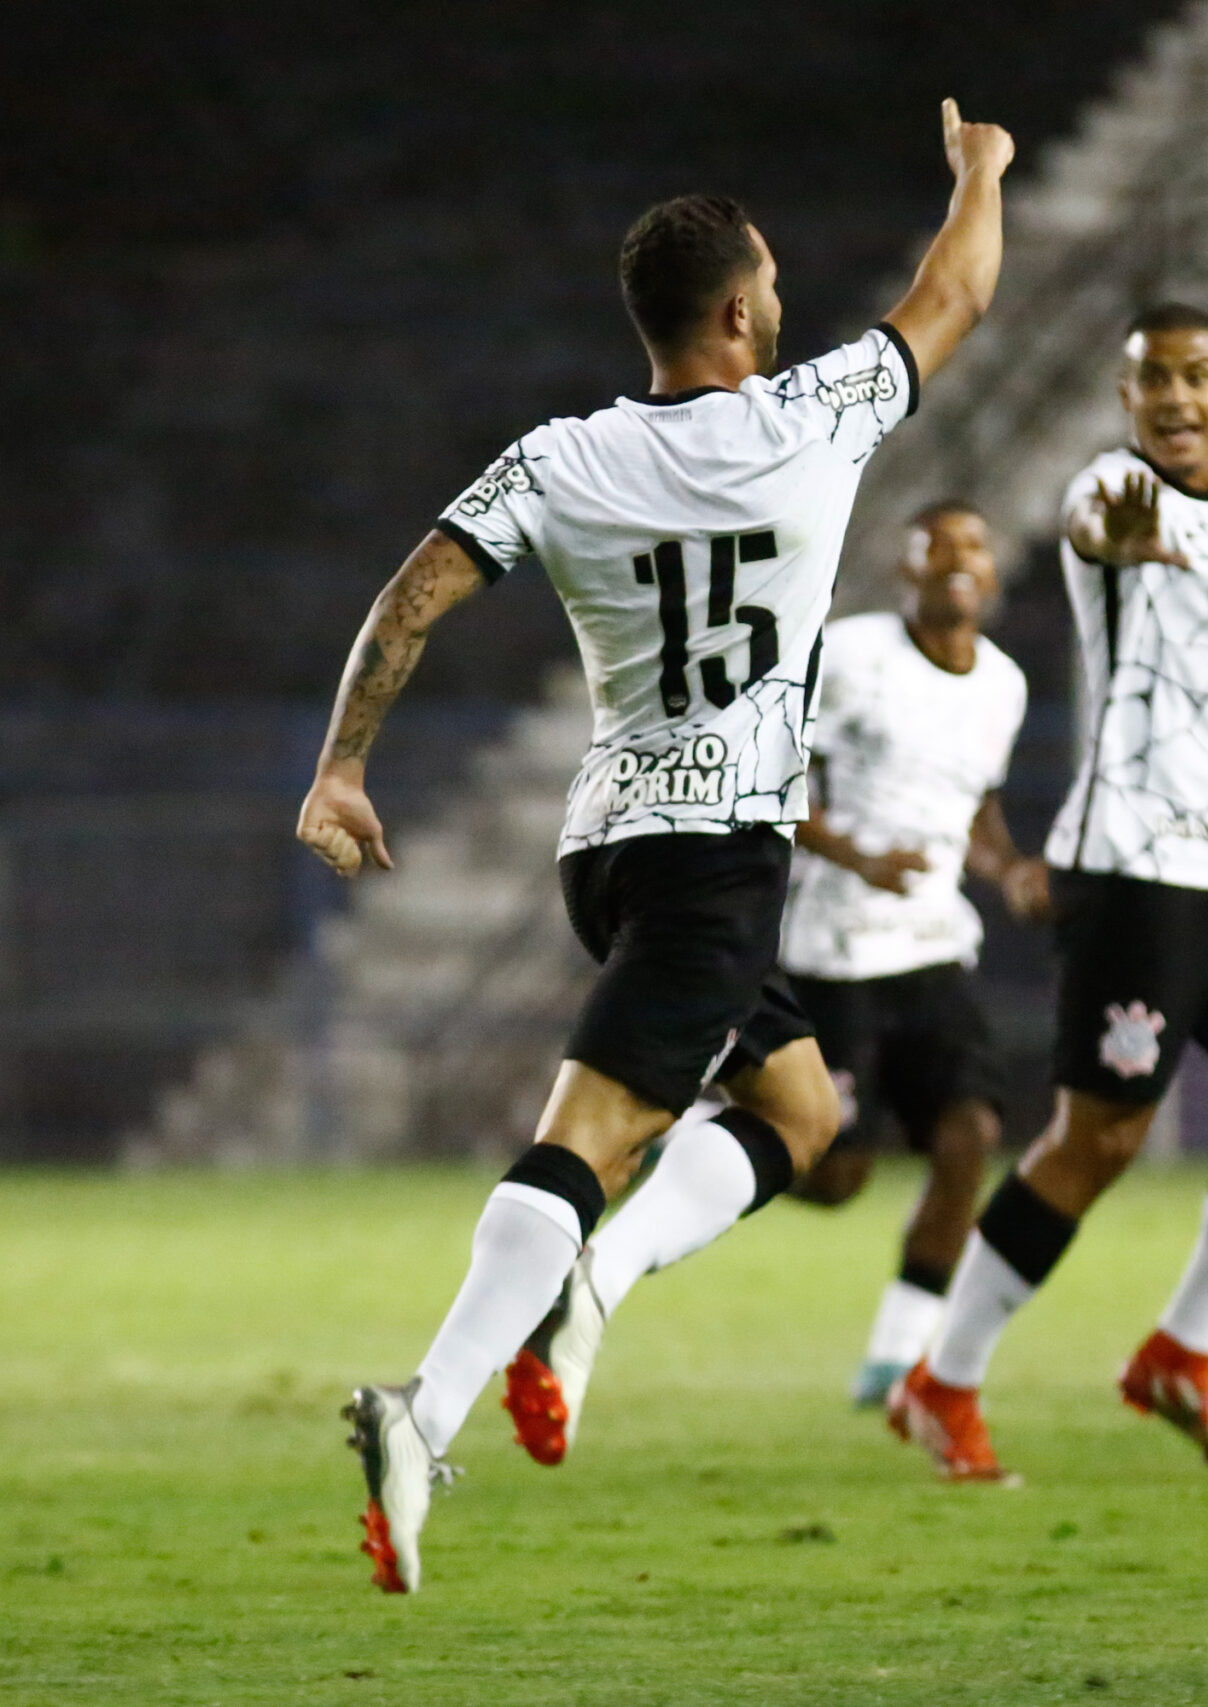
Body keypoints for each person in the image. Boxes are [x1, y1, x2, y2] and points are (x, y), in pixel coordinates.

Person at [296, 100, 1015, 1594]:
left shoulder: (560, 456)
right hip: (720, 856)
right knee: (594, 1137)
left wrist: (344, 763)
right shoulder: (815, 415)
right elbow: (955, 293)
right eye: (773, 293)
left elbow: (411, 594)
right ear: (745, 310)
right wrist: (981, 174)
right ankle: (421, 1414)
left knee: (806, 1116)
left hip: (609, 848)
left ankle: (595, 1283)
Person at [887, 302, 1208, 1484]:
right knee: (1098, 1138)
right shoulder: (1104, 492)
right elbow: (1105, 528)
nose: (1174, 400)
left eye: (1195, 378)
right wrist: (1136, 540)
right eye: (1151, 382)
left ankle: (1180, 1352)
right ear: (1125, 401)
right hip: (1134, 870)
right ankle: (940, 1381)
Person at [782, 500, 1039, 1407]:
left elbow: (975, 810)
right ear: (907, 574)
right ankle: (707, 1138)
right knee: (835, 1174)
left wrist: (1007, 868)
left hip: (934, 945)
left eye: (974, 545)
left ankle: (898, 1356)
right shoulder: (850, 657)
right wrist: (855, 854)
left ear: (992, 573)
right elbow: (769, 775)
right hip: (835, 946)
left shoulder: (1004, 684)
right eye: (937, 550)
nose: (957, 561)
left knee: (969, 1134)